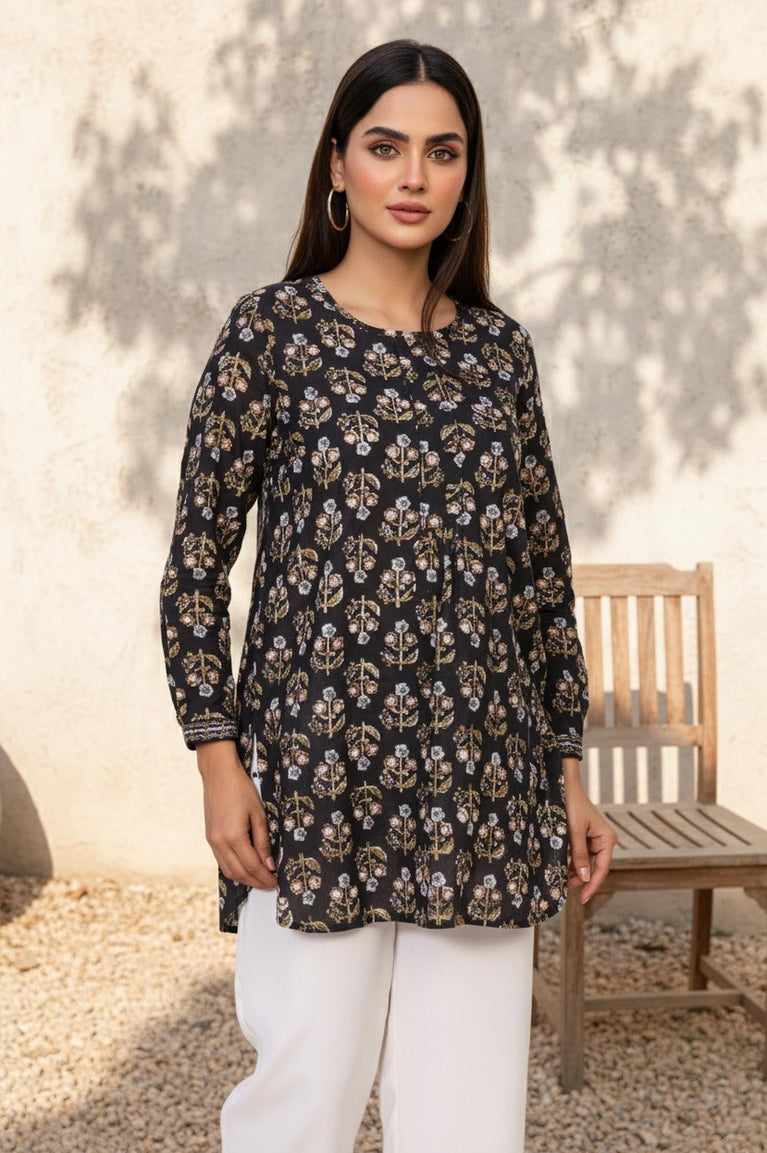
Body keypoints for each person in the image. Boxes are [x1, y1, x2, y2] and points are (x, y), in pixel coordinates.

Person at [159, 37, 617, 1153]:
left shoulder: (500, 356)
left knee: (466, 1121)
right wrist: (219, 760)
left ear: (467, 176)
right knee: (299, 1102)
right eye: (385, 146)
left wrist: (565, 771)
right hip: (315, 781)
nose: (413, 176)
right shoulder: (270, 335)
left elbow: (537, 581)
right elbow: (193, 568)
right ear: (336, 164)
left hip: (482, 783)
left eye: (442, 152)